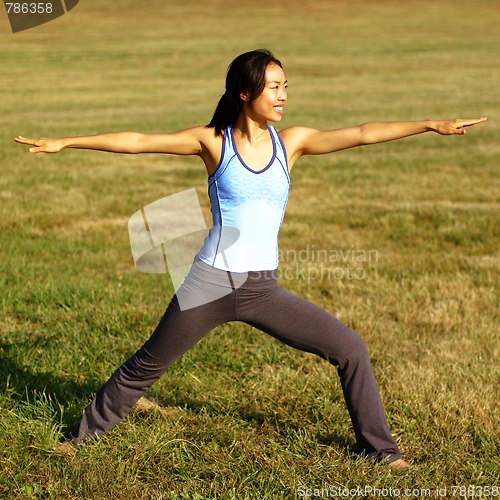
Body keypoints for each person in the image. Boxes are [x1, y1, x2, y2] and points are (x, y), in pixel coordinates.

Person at [15, 49, 486, 469]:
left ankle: (381, 451)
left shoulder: (292, 143)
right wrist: (67, 141)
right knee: (146, 366)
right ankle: (79, 439)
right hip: (209, 284)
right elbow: (139, 140)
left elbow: (363, 133)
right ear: (246, 92)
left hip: (263, 288)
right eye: (275, 87)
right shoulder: (213, 142)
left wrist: (430, 124)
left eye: (286, 87)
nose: (283, 96)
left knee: (350, 349)